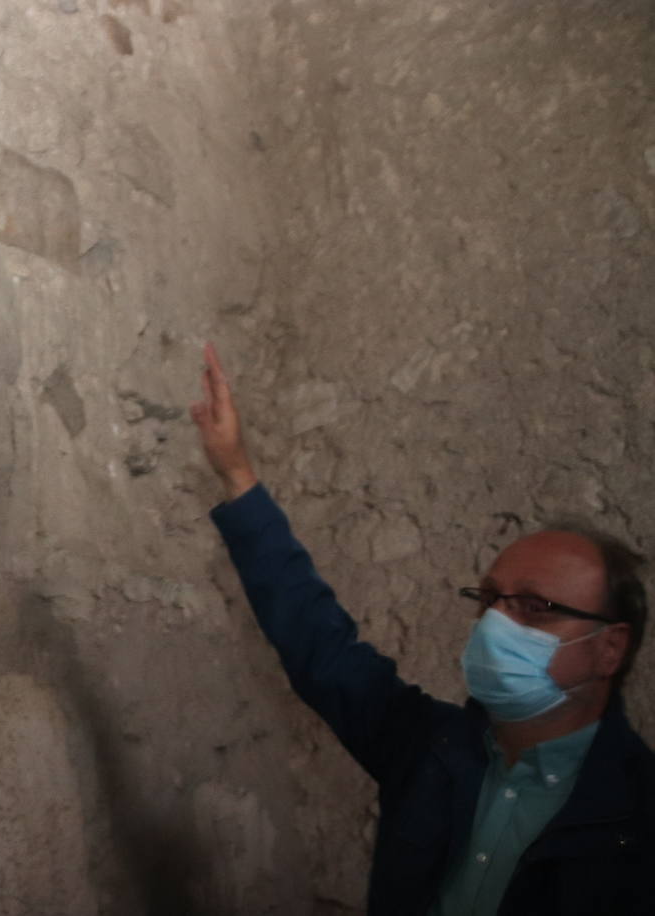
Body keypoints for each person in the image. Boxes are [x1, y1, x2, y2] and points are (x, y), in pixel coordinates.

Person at [190, 343, 655, 915]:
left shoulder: (639, 810)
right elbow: (318, 641)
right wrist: (236, 474)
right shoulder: (429, 747)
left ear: (610, 648)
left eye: (534, 607)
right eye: (488, 600)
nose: (496, 623)